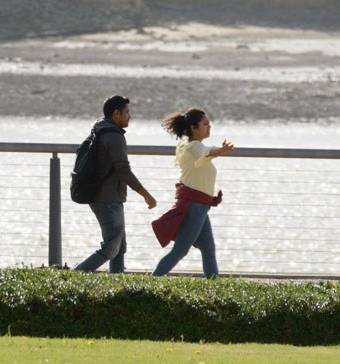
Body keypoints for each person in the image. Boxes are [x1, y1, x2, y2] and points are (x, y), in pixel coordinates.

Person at [72, 94, 155, 272]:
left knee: (119, 248)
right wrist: (145, 194)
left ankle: (117, 285)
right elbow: (123, 169)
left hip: (103, 195)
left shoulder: (99, 130)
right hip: (107, 198)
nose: (129, 116)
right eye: (127, 112)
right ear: (116, 113)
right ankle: (75, 275)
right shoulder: (113, 136)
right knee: (111, 248)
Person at [152, 107, 234, 278]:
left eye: (209, 124)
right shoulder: (193, 146)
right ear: (193, 127)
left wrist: (211, 199)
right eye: (205, 124)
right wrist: (221, 150)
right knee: (180, 251)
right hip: (194, 208)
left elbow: (202, 166)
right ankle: (149, 284)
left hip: (200, 207)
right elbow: (208, 151)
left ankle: (215, 288)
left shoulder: (192, 146)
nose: (209, 127)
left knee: (209, 250)